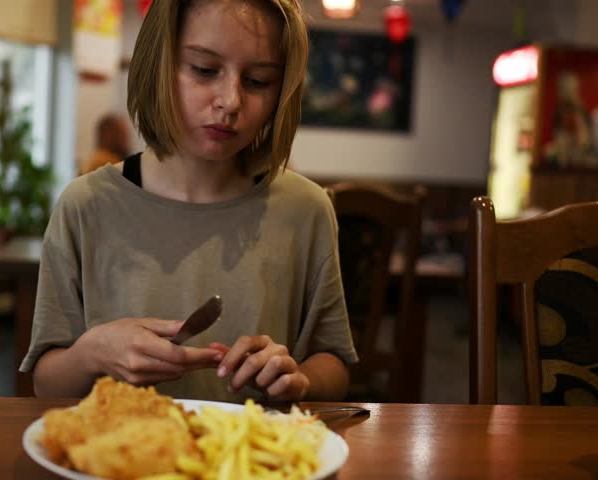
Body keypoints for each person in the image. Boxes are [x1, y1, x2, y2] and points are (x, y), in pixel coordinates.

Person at [21, 0, 357, 403]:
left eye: (258, 81)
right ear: (157, 65)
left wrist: (300, 378)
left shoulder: (307, 211)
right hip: (123, 461)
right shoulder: (85, 206)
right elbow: (45, 384)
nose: (231, 101)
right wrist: (92, 353)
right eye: (204, 70)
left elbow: (335, 364)